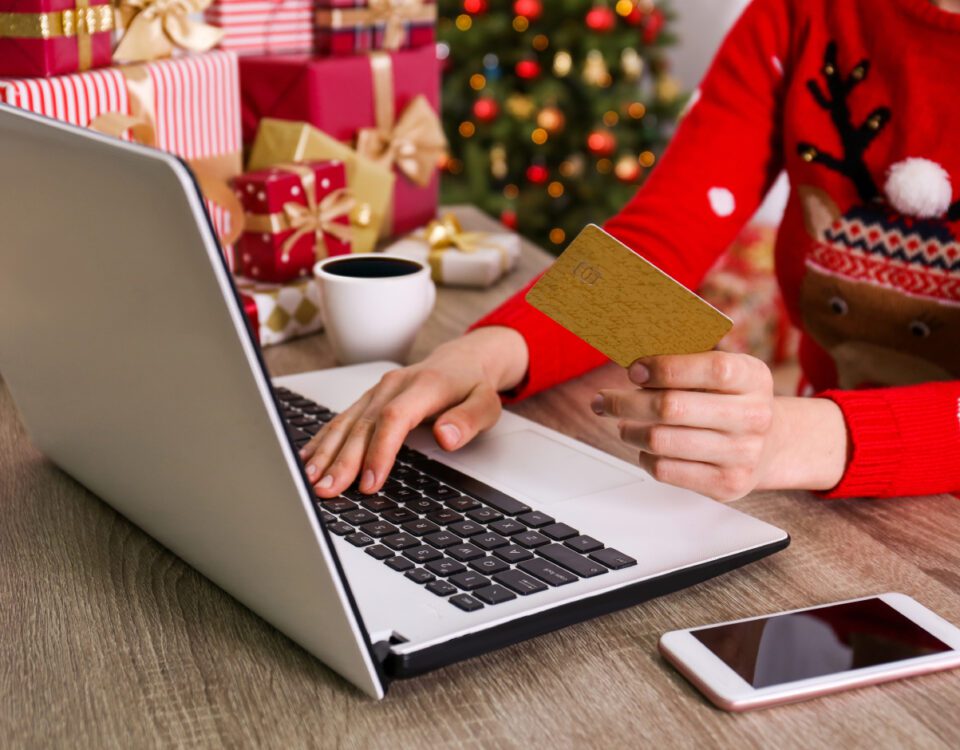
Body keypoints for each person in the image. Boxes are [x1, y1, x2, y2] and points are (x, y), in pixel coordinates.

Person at [303, 0, 960, 502]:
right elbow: (658, 248)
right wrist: (484, 353)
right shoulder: (805, 11)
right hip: (832, 500)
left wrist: (798, 438)